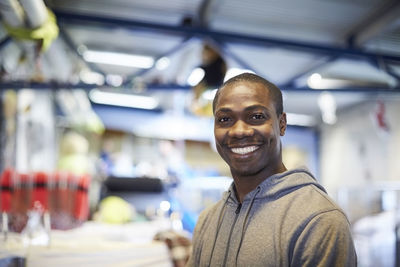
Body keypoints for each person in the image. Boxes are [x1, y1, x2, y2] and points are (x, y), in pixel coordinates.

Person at [186, 73, 357, 266]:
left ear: (282, 124)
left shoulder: (319, 220)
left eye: (256, 116)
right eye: (225, 119)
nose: (239, 131)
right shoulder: (207, 221)